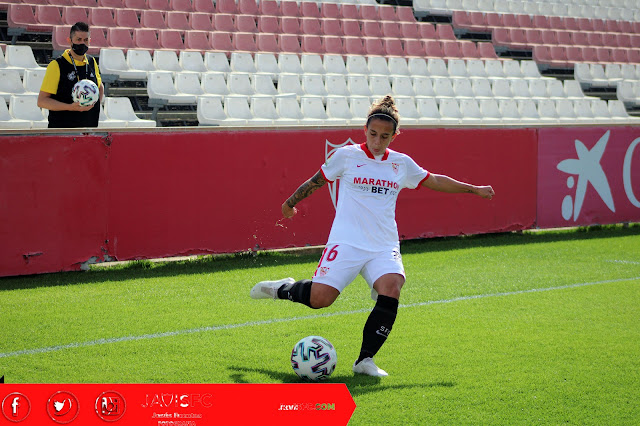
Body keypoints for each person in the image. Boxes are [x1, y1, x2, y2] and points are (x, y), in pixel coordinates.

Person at [250, 96, 495, 377]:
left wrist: (473, 189)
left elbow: (435, 180)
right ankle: (283, 288)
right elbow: (317, 180)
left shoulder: (401, 164)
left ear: (394, 136)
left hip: (383, 245)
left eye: (385, 136)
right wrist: (290, 202)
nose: (378, 142)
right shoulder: (346, 155)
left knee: (392, 288)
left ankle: (365, 360)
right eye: (373, 134)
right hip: (347, 242)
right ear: (365, 130)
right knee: (320, 299)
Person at [38, 22, 104, 128]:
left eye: (86, 40)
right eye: (78, 40)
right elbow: (42, 101)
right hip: (63, 132)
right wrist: (70, 107)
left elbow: (100, 87)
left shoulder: (92, 62)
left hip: (89, 131)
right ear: (69, 40)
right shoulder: (57, 65)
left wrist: (93, 108)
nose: (82, 43)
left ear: (89, 41)